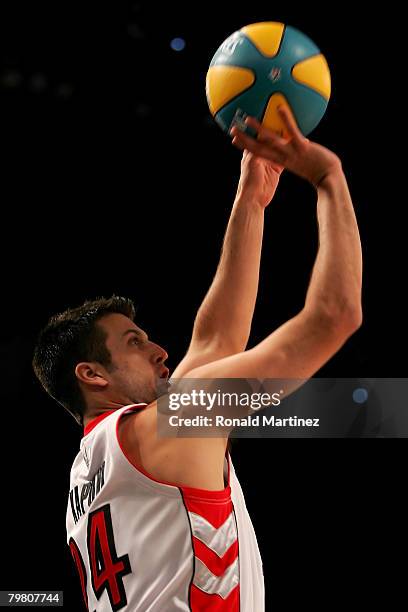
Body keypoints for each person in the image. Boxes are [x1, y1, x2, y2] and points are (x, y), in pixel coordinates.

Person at [32, 107, 362, 611]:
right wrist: (328, 178)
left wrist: (252, 198)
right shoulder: (164, 428)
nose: (161, 350)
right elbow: (335, 315)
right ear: (92, 374)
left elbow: (214, 341)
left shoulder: (94, 467)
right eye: (134, 343)